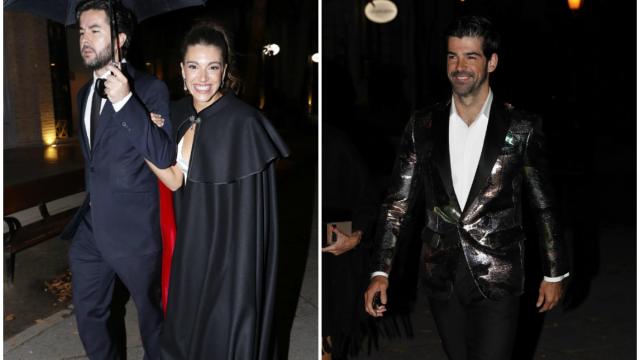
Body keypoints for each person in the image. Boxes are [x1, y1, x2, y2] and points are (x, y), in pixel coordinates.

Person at [364, 15, 569, 360]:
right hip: (440, 275)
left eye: (470, 56)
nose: (459, 66)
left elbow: (543, 203)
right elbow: (398, 203)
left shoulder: (522, 127)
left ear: (491, 62)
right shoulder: (422, 125)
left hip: (499, 273)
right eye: (452, 56)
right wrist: (380, 270)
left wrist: (555, 271)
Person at [144, 21, 289, 359]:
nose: (203, 78)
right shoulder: (177, 111)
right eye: (194, 66)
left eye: (213, 67)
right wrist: (145, 138)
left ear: (224, 71)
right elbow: (174, 179)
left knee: (224, 333)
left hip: (232, 253)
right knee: (184, 332)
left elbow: (253, 214)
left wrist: (242, 270)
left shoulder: (244, 122)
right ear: (182, 69)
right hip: (190, 244)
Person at [61, 0, 175, 359]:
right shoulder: (83, 95)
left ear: (120, 38)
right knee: (89, 314)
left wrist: (126, 102)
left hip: (136, 232)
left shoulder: (149, 90)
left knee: (152, 319)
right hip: (92, 228)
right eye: (81, 31)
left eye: (95, 30)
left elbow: (163, 157)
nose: (85, 39)